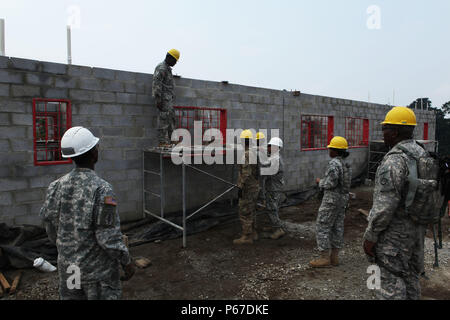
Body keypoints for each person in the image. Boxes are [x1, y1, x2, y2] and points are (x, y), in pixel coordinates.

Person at [40, 127, 135, 300]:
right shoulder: (102, 189)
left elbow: (50, 227)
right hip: (97, 276)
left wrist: (67, 249)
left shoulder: (55, 187)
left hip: (69, 270)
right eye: (96, 148)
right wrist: (127, 261)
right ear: (93, 154)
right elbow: (107, 237)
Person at [363, 107, 429, 300]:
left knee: (386, 283)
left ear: (395, 132)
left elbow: (385, 206)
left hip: (394, 236)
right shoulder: (422, 154)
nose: (383, 134)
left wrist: (371, 235)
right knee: (410, 277)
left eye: (385, 129)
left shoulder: (394, 161)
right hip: (416, 231)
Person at [310, 136, 352, 268]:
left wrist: (320, 182)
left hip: (331, 200)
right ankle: (334, 257)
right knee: (337, 226)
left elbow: (330, 183)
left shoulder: (334, 163)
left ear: (335, 150)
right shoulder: (346, 163)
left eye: (330, 149)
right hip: (342, 199)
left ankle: (324, 257)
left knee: (322, 225)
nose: (329, 151)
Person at [234, 130, 260, 245]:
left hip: (248, 188)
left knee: (244, 211)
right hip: (254, 186)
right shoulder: (253, 152)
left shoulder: (246, 154)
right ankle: (253, 233)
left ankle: (247, 236)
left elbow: (246, 173)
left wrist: (240, 187)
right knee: (252, 210)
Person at [152, 49, 180, 148]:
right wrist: (158, 99)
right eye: (175, 60)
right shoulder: (161, 68)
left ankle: (172, 141)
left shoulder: (167, 69)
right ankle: (162, 141)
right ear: (169, 57)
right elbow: (157, 83)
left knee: (171, 120)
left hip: (168, 100)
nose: (175, 63)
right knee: (163, 120)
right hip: (163, 100)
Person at [261, 137, 286, 240]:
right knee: (272, 207)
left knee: (271, 208)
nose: (268, 147)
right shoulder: (275, 157)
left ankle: (278, 229)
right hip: (274, 187)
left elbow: (263, 169)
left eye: (269, 146)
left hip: (273, 188)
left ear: (275, 147)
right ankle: (274, 226)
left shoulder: (275, 159)